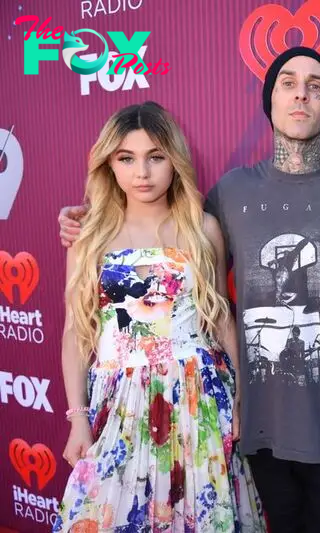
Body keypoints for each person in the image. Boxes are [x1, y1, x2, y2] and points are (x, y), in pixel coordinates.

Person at [58, 47, 320, 533]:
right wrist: (85, 219)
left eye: (315, 86)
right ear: (269, 100)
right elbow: (86, 320)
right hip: (210, 418)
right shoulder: (229, 195)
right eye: (287, 82)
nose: (301, 94)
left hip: (295, 419)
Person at [54, 101, 266, 532]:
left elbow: (221, 317)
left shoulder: (201, 228)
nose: (142, 173)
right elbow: (76, 330)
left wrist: (243, 396)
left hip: (198, 397)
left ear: (175, 159)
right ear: (108, 164)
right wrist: (78, 418)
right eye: (126, 158)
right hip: (119, 402)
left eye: (155, 156)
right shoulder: (89, 237)